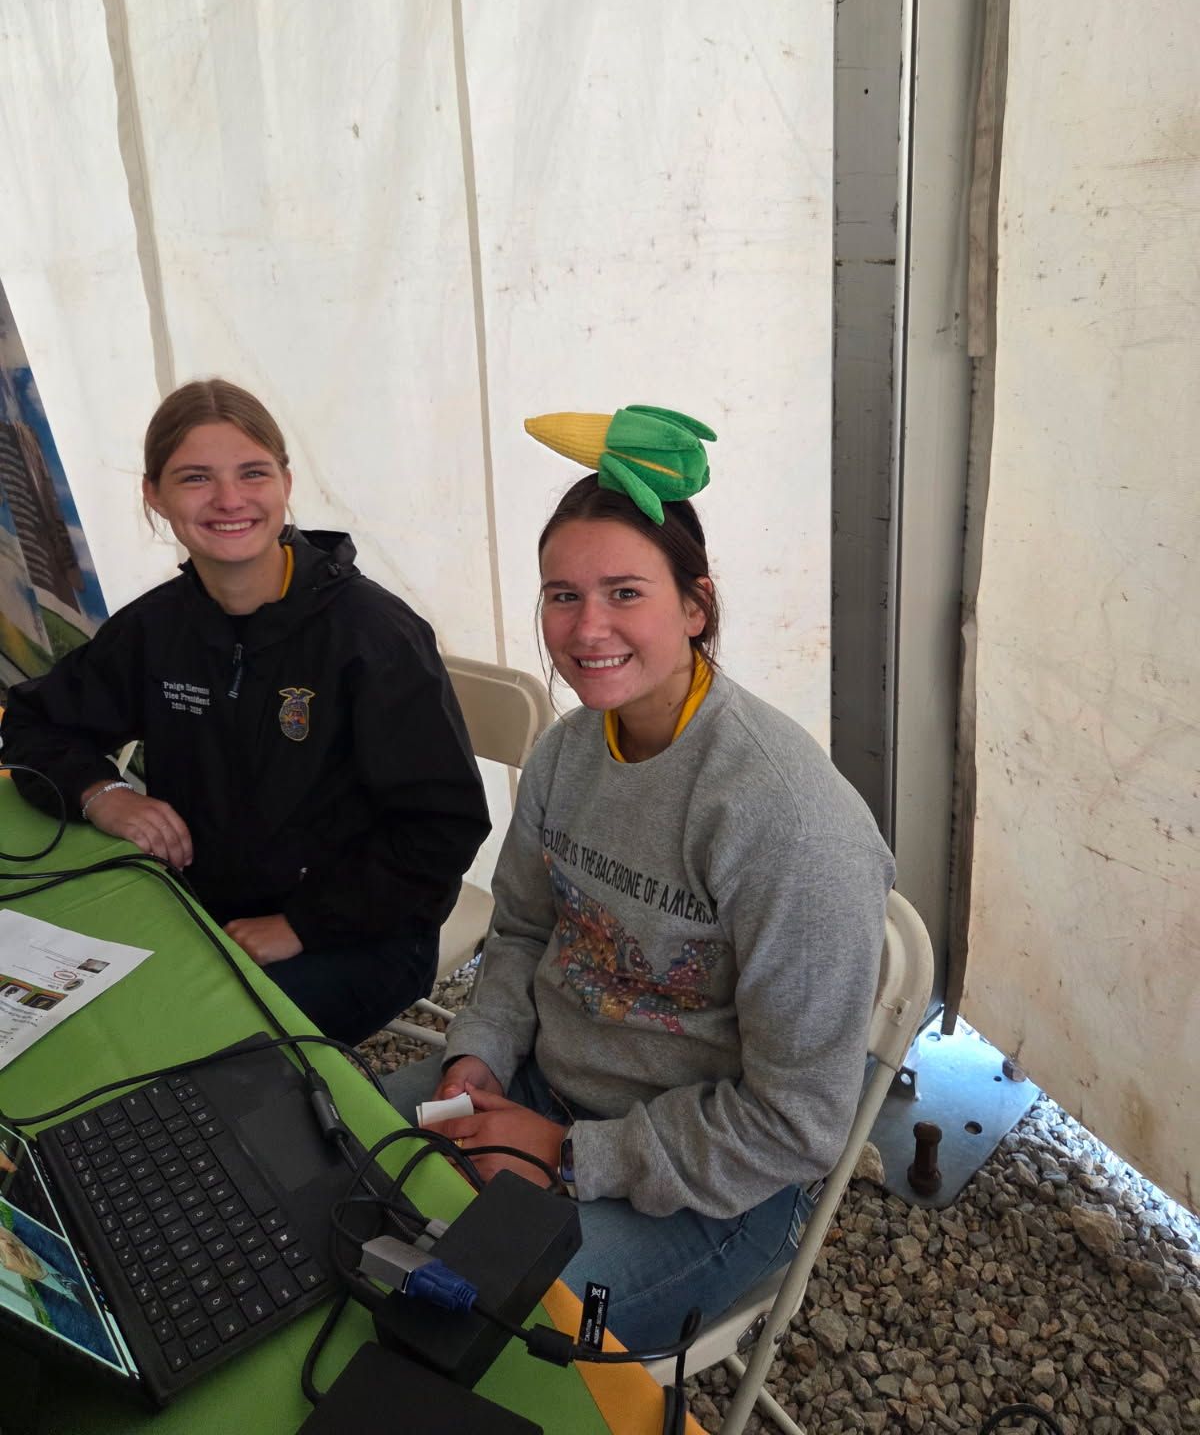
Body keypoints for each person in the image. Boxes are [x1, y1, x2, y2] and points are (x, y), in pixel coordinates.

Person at [384, 405, 894, 1351]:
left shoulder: (786, 821)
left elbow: (798, 1123)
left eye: (625, 593)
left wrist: (570, 1157)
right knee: (331, 1173)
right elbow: (526, 934)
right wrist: (476, 1062)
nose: (587, 629)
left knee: (458, 1316)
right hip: (537, 1089)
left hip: (713, 1190)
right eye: (562, 596)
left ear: (696, 605)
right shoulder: (567, 753)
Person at [1, 379, 490, 1045]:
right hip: (202, 909)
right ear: (155, 495)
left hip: (362, 935)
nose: (229, 500)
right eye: (195, 478)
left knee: (182, 1049)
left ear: (286, 482)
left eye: (252, 473)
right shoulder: (156, 628)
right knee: (82, 1025)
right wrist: (102, 793)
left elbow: (442, 830)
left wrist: (300, 928)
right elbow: (33, 723)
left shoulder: (372, 635)